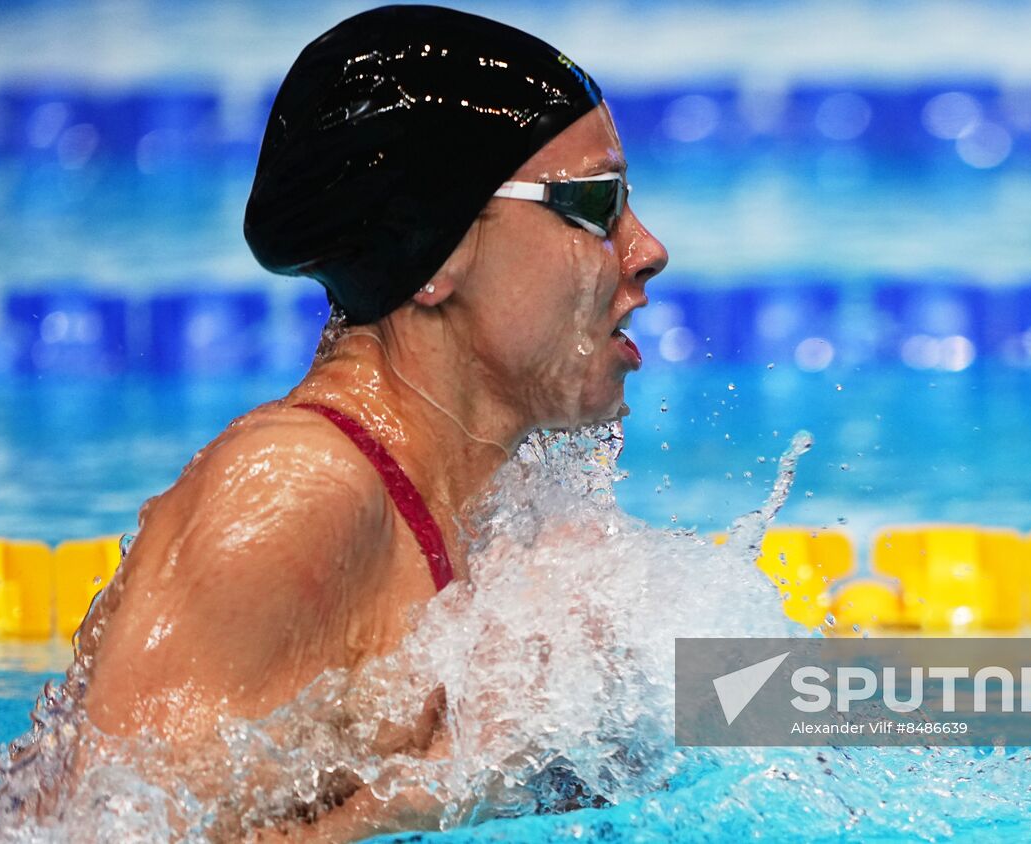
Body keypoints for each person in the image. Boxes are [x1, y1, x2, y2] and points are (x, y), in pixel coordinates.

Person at [71, 5, 667, 839]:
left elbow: (757, 703)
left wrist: (908, 704)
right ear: (436, 249)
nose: (646, 249)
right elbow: (98, 830)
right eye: (596, 205)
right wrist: (432, 795)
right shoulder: (293, 493)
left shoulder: (505, 506)